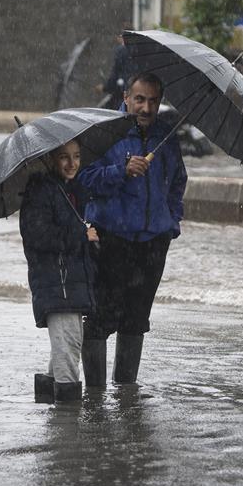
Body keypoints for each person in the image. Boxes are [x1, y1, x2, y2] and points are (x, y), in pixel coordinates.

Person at [78, 72, 187, 386]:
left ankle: (126, 391)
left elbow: (178, 181)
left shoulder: (166, 137)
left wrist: (171, 221)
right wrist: (120, 170)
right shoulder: (104, 133)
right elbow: (83, 181)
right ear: (126, 98)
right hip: (110, 237)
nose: (146, 107)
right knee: (100, 318)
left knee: (136, 320)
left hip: (153, 241)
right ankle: (95, 393)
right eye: (140, 99)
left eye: (153, 101)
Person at [19, 138, 99, 403]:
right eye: (64, 157)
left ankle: (48, 401)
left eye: (76, 156)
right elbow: (38, 236)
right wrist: (81, 234)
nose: (72, 163)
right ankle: (67, 422)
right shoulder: (40, 191)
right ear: (51, 159)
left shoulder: (69, 191)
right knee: (68, 350)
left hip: (70, 284)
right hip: (58, 285)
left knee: (66, 348)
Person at [95, 25, 134, 111]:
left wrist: (104, 87)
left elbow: (115, 75)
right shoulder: (138, 51)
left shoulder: (121, 50)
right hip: (134, 94)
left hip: (121, 95)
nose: (117, 39)